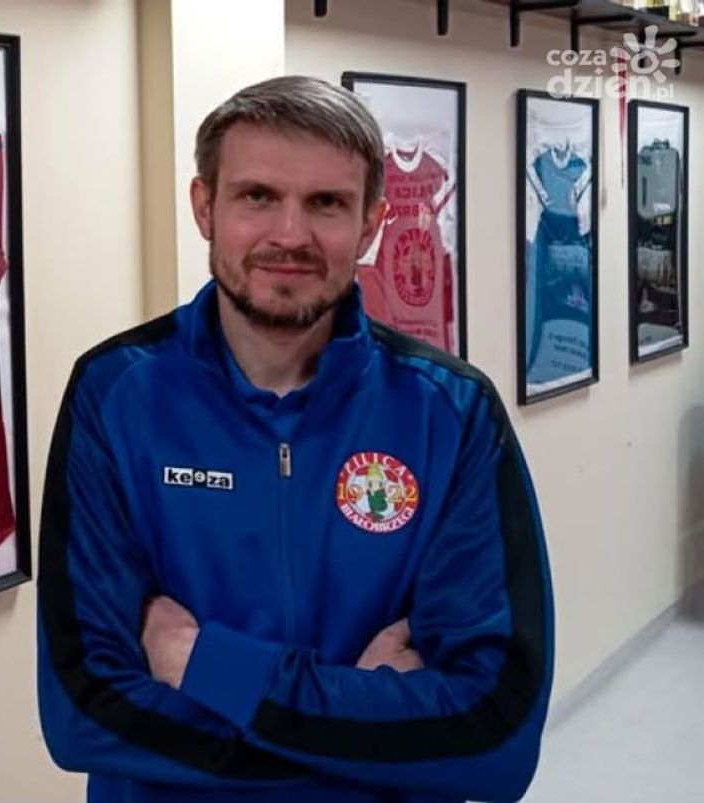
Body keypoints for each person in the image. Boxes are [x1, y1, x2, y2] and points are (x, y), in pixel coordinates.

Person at [36, 76, 554, 803]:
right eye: (257, 196)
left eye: (326, 203)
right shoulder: (115, 395)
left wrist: (205, 664)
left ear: (371, 223)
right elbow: (82, 715)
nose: (289, 235)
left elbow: (495, 739)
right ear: (204, 207)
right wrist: (363, 734)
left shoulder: (451, 412)